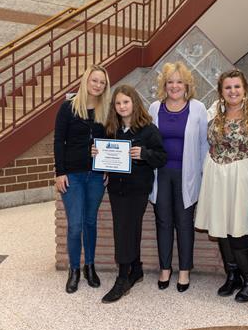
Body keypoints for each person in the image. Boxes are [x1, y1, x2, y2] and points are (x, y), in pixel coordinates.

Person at [195, 69, 248, 303]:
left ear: (244, 89)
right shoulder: (214, 111)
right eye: (228, 87)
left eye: (237, 87)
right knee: (221, 227)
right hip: (216, 175)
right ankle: (232, 275)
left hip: (243, 176)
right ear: (221, 92)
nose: (233, 91)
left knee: (239, 230)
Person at [101, 85, 167, 303]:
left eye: (126, 102)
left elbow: (161, 157)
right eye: (118, 103)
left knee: (125, 229)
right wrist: (97, 155)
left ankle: (122, 278)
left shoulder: (148, 129)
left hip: (137, 189)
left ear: (134, 103)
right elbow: (106, 157)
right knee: (125, 227)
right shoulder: (111, 129)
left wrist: (144, 153)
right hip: (116, 189)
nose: (122, 106)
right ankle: (136, 269)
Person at [148, 61, 208, 292]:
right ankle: (165, 269)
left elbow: (204, 144)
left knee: (184, 224)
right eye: (170, 82)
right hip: (161, 174)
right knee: (163, 222)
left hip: (188, 175)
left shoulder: (198, 108)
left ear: (187, 85)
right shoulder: (154, 108)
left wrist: (202, 177)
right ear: (164, 85)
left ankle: (184, 271)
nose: (174, 86)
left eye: (179, 82)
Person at [53, 64, 111, 294]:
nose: (98, 85)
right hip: (73, 176)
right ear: (86, 80)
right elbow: (59, 141)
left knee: (90, 222)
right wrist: (59, 173)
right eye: (94, 80)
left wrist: (106, 163)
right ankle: (74, 269)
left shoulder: (106, 110)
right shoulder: (68, 108)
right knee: (75, 225)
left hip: (96, 176)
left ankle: (90, 267)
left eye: (102, 83)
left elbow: (109, 141)